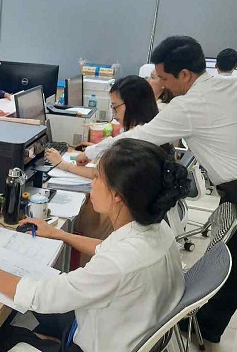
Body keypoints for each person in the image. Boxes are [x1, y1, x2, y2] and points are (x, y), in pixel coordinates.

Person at [78, 36, 237, 352]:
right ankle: (210, 325)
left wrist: (91, 153)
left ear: (185, 75)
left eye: (164, 77)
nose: (161, 84)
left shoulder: (191, 105)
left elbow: (141, 136)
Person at [0, 139, 188, 352]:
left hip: (90, 351)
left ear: (118, 195)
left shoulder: (119, 265)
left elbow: (40, 295)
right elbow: (107, 249)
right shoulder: (156, 229)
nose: (91, 183)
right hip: (114, 325)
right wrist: (58, 234)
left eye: (97, 177)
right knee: (19, 306)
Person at [46, 75, 166, 244]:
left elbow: (97, 173)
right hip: (144, 215)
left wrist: (62, 164)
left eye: (115, 107)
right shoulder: (148, 130)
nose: (114, 114)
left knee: (82, 209)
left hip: (129, 217)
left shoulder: (137, 144)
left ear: (133, 105)